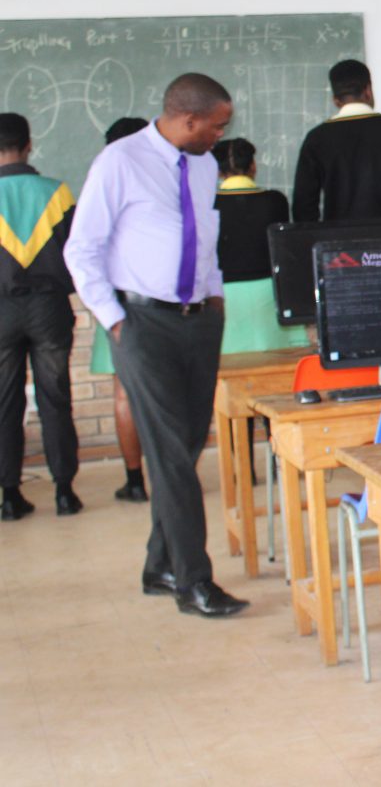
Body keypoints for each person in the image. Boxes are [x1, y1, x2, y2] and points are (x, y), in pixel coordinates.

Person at [65, 73, 249, 618]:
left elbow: (204, 237)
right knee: (171, 455)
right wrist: (115, 319)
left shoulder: (203, 164)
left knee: (185, 446)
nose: (221, 135)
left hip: (199, 321)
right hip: (143, 323)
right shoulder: (119, 163)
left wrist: (214, 298)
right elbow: (82, 248)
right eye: (217, 126)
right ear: (188, 119)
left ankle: (159, 566)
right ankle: (194, 581)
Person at [0, 112, 82, 520]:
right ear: (29, 144)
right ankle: (65, 491)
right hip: (49, 309)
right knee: (55, 398)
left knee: (4, 402)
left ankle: (10, 495)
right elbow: (76, 251)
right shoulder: (57, 193)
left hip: (0, 313)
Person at [90, 117, 151, 503]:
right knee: (168, 394)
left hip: (116, 303)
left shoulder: (101, 187)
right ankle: (173, 475)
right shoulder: (160, 183)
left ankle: (134, 481)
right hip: (164, 303)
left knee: (124, 393)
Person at [291, 59, 381, 223]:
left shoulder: (316, 138)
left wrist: (318, 241)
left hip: (339, 241)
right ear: (368, 90)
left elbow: (303, 203)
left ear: (335, 100)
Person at [211, 137, 306, 353]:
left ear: (217, 171)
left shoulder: (206, 203)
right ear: (253, 166)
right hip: (270, 293)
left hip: (223, 297)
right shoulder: (275, 200)